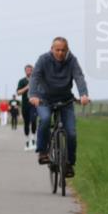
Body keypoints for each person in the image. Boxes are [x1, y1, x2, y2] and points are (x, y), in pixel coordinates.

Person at [29, 37, 90, 178]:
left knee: (71, 133)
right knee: (45, 119)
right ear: (52, 49)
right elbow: (35, 77)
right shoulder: (43, 59)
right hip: (44, 99)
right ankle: (42, 152)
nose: (60, 53)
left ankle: (69, 163)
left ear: (67, 50)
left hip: (65, 100)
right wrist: (33, 95)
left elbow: (79, 77)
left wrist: (83, 94)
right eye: (57, 50)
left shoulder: (72, 60)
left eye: (63, 50)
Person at [16, 64, 37, 150]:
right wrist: (27, 87)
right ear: (25, 71)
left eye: (30, 70)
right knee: (26, 123)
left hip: (34, 104)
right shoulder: (22, 81)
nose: (29, 71)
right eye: (27, 70)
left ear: (32, 71)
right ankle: (27, 141)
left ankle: (33, 140)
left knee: (34, 120)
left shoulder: (36, 80)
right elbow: (18, 93)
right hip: (25, 105)